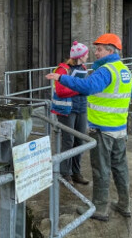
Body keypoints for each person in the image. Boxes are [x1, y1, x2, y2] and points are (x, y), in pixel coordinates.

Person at [45, 33, 132, 222]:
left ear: (110, 50)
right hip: (119, 128)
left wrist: (62, 79)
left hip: (103, 129)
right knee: (120, 168)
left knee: (101, 169)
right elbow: (130, 95)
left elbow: (88, 87)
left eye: (99, 49)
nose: (95, 52)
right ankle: (124, 205)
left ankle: (100, 208)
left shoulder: (105, 70)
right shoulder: (124, 70)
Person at [51, 41, 90, 185]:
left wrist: (81, 87)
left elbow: (86, 87)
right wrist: (80, 88)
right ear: (79, 56)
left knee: (79, 141)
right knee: (68, 141)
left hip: (81, 108)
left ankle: (76, 173)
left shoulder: (84, 68)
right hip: (67, 110)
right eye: (86, 54)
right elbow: (61, 91)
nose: (87, 56)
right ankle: (64, 173)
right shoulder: (62, 70)